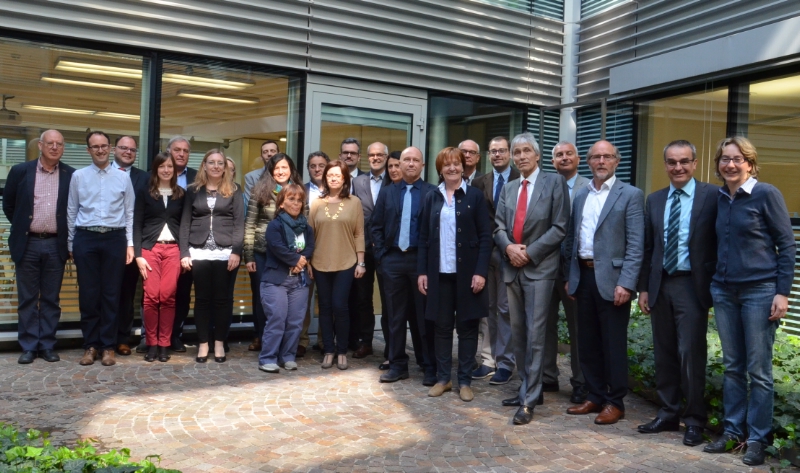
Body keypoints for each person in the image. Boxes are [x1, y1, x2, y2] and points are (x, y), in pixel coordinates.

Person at [702, 136, 795, 466]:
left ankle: (757, 438)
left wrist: (782, 292)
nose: (730, 164)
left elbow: (787, 244)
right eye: (725, 159)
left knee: (758, 371)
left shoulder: (766, 194)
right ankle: (732, 432)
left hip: (759, 291)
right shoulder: (719, 198)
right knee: (732, 367)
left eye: (737, 159)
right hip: (724, 291)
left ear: (750, 164)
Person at [636, 140, 718, 446]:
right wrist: (644, 287)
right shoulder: (655, 199)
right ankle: (668, 413)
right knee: (665, 352)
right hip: (661, 284)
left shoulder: (712, 196)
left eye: (684, 161)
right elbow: (649, 248)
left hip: (692, 286)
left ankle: (694, 420)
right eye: (672, 162)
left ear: (695, 164)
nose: (678, 167)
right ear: (665, 165)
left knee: (690, 354)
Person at [564, 140, 644, 425]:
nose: (601, 161)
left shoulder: (631, 195)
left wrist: (627, 283)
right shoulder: (581, 195)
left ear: (616, 161)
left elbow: (636, 243)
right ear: (588, 162)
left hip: (614, 280)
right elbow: (573, 238)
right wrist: (570, 276)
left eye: (607, 156)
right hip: (583, 276)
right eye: (596, 157)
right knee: (587, 343)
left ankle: (615, 401)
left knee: (613, 344)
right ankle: (595, 395)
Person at [494, 132, 570, 424]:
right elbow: (498, 227)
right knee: (519, 333)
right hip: (512, 267)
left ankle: (529, 399)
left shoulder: (554, 183)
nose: (521, 156)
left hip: (539, 268)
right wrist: (509, 248)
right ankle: (528, 387)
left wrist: (530, 252)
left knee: (536, 335)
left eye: (527, 151)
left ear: (538, 155)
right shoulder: (509, 187)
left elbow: (560, 226)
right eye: (517, 152)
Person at [418, 147, 491, 402]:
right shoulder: (432, 197)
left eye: (456, 163)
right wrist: (422, 272)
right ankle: (443, 379)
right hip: (439, 274)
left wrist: (480, 272)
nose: (452, 168)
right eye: (446, 164)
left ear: (463, 167)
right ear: (440, 169)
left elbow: (485, 237)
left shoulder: (475, 196)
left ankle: (465, 381)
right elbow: (423, 237)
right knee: (441, 328)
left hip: (468, 275)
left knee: (468, 328)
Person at [3, 129, 75, 364]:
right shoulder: (20, 171)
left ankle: (47, 344)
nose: (55, 147)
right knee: (27, 298)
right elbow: (9, 206)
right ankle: (28, 346)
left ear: (63, 148)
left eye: (59, 144)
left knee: (51, 299)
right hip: (28, 242)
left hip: (56, 243)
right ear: (40, 146)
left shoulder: (71, 175)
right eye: (50, 143)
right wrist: (25, 226)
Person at [68, 131, 135, 367]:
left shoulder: (122, 177)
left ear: (110, 148)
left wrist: (129, 244)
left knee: (111, 294)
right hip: (86, 238)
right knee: (88, 295)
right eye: (95, 146)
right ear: (88, 150)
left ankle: (108, 346)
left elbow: (129, 213)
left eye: (104, 146)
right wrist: (70, 244)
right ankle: (91, 346)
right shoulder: (78, 176)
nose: (100, 150)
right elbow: (71, 210)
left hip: (114, 238)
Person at [372, 146, 437, 385]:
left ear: (422, 165)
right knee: (395, 317)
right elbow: (376, 226)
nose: (410, 163)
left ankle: (429, 366)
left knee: (423, 317)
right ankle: (398, 365)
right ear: (399, 164)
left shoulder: (432, 192)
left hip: (420, 261)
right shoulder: (387, 192)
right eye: (406, 160)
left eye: (415, 160)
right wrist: (382, 256)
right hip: (393, 260)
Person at [179, 149, 244, 364]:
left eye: (220, 163)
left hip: (226, 252)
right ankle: (203, 343)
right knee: (202, 299)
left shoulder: (234, 190)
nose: (216, 166)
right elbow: (185, 223)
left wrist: (236, 251)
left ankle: (219, 343)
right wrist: (184, 252)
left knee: (222, 300)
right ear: (204, 166)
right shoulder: (193, 190)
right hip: (198, 251)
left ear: (225, 167)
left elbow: (239, 223)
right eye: (211, 162)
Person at [542, 141, 590, 403]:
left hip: (575, 269)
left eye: (569, 153)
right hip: (545, 265)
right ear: (552, 162)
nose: (564, 158)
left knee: (578, 328)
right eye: (558, 155)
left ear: (578, 158)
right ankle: (547, 376)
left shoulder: (589, 188)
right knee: (544, 324)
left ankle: (580, 382)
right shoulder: (544, 186)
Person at [308, 160, 365, 370]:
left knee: (340, 306)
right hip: (320, 262)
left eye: (337, 175)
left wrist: (361, 262)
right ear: (325, 178)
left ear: (344, 179)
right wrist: (308, 262)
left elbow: (359, 233)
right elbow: (309, 234)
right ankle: (328, 350)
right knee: (324, 307)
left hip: (346, 262)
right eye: (330, 175)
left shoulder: (354, 202)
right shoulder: (316, 203)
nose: (333, 178)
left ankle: (342, 351)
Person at [471, 136, 519, 385]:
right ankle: (488, 359)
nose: (497, 155)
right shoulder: (479, 182)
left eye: (501, 151)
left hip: (511, 253)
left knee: (506, 309)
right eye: (493, 151)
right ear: (488, 155)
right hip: (485, 253)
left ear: (509, 153)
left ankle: (506, 362)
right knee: (487, 309)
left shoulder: (520, 179)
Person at [244, 153, 302, 352]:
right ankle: (263, 338)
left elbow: (304, 225)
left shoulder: (298, 192)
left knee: (287, 301)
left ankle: (285, 343)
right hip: (263, 253)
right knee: (263, 299)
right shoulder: (259, 190)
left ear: (291, 170)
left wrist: (302, 256)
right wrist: (248, 256)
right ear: (270, 170)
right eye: (277, 168)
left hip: (290, 255)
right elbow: (250, 225)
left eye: (284, 167)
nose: (280, 171)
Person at [133, 152, 185, 363]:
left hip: (173, 250)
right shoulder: (145, 192)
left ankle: (164, 344)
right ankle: (152, 344)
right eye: (162, 166)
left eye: (170, 166)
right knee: (151, 297)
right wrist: (138, 255)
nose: (166, 170)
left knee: (168, 297)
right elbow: (137, 224)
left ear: (174, 170)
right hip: (150, 250)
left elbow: (185, 225)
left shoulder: (181, 194)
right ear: (155, 169)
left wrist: (185, 253)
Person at [258, 185, 315, 373]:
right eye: (291, 199)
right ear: (281, 203)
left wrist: (301, 261)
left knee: (296, 321)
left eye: (299, 200)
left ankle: (288, 356)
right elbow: (278, 247)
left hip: (299, 282)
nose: (296, 203)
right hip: (276, 281)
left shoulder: (306, 228)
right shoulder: (274, 226)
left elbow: (310, 247)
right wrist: (297, 260)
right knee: (277, 319)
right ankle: (268, 358)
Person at [350, 142, 391, 358]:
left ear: (386, 157)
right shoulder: (357, 182)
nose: (375, 158)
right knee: (363, 298)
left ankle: (391, 345)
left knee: (388, 298)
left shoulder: (393, 178)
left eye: (379, 155)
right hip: (363, 249)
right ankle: (365, 342)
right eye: (372, 155)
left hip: (386, 248)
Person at [112, 136, 149, 357]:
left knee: (126, 294)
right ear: (114, 149)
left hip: (133, 244)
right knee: (104, 293)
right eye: (123, 148)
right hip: (107, 241)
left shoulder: (144, 178)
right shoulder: (102, 174)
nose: (128, 152)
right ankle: (102, 339)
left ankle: (122, 339)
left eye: (132, 149)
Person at [298, 151, 330, 357]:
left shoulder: (336, 191)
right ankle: (301, 340)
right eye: (312, 166)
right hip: (304, 252)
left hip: (329, 252)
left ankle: (324, 340)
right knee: (303, 300)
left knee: (326, 301)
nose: (317, 169)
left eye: (321, 165)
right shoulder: (300, 191)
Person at [168, 136, 198, 353]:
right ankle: (152, 336)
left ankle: (175, 335)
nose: (181, 154)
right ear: (168, 151)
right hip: (160, 242)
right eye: (177, 150)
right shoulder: (155, 174)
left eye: (185, 151)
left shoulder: (198, 177)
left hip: (189, 242)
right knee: (157, 293)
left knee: (182, 292)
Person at [244, 140, 280, 207]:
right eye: (265, 152)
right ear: (261, 157)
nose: (269, 154)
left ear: (279, 154)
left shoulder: (287, 175)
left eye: (272, 151)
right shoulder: (251, 177)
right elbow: (250, 205)